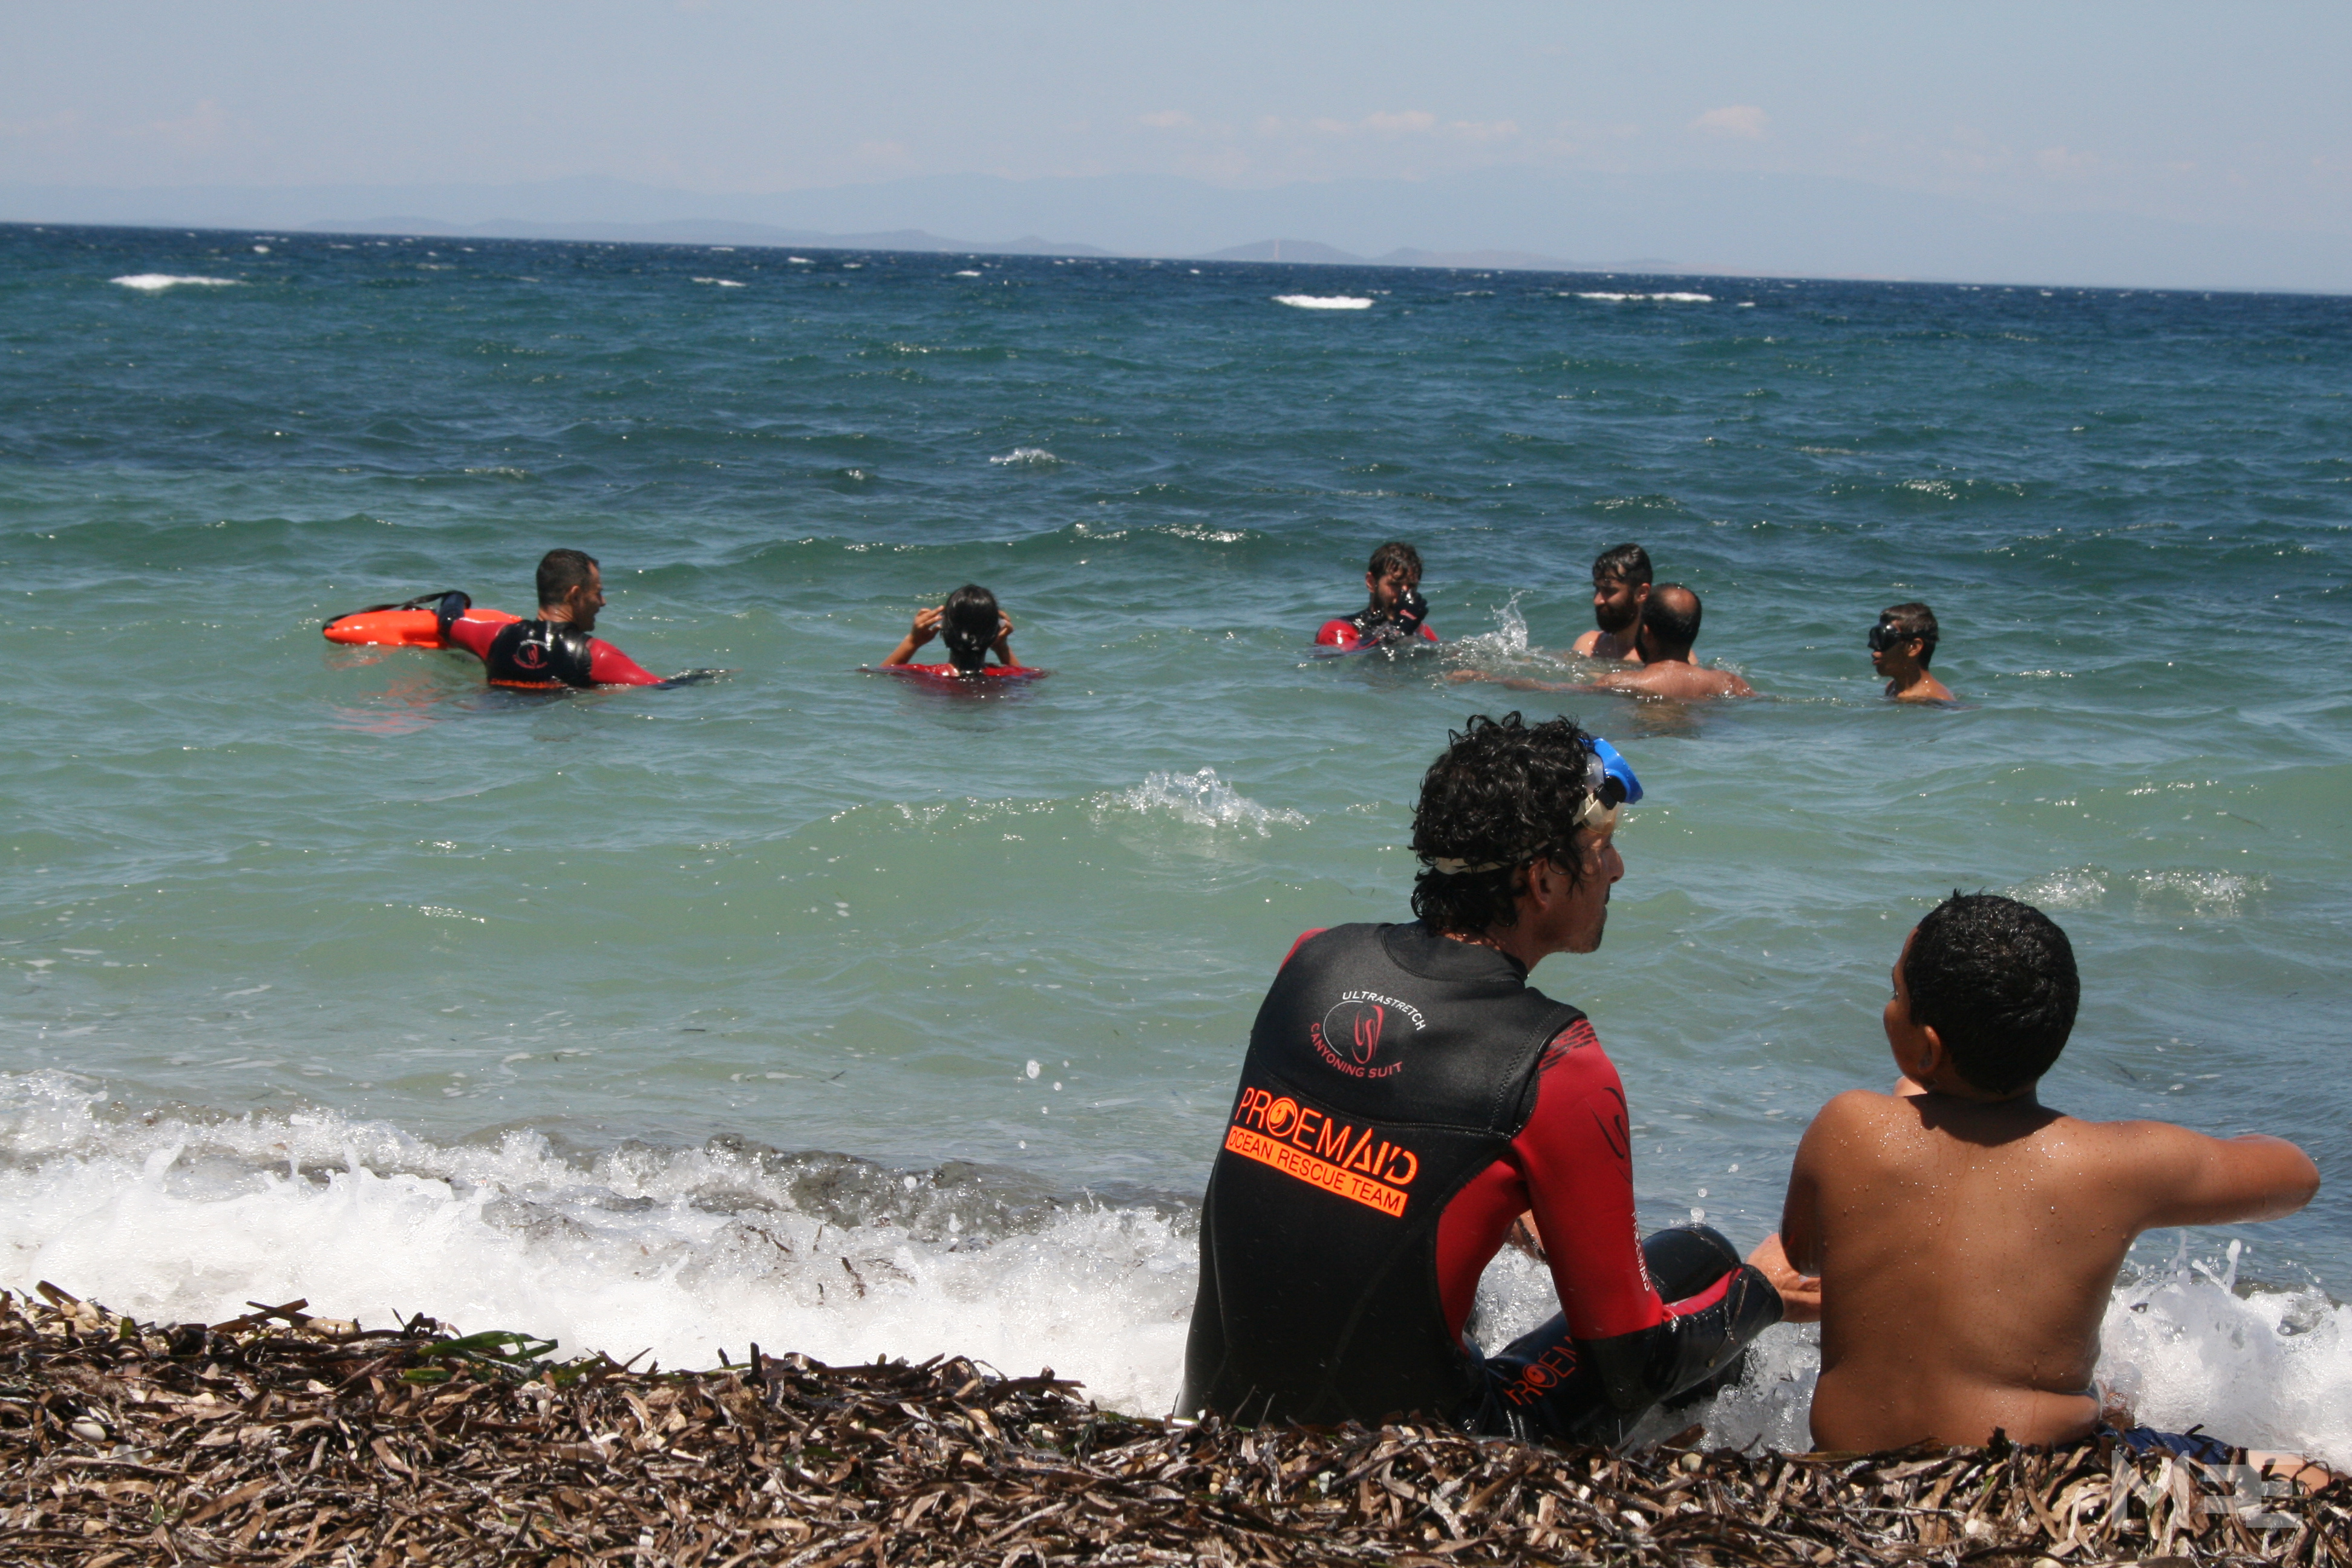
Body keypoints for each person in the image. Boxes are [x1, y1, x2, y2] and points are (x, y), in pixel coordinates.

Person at [1178, 713, 1786, 1443]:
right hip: (1411, 1463)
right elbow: (1635, 1364)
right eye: (1603, 850)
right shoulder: (1557, 1062)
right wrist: (1764, 1294)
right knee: (1702, 1262)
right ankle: (1707, 1460)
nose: (1618, 871)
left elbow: (1369, 1156)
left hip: (1211, 1425)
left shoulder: (1313, 957)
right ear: (1542, 879)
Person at [1749, 894, 2320, 1455]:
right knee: (2299, 1473)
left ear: (1928, 1049)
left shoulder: (1848, 1125)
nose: (1889, 1003)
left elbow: (1806, 1256)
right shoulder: (2113, 1164)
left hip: (1848, 1474)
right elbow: (2298, 1178)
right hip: (2027, 1480)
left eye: (1896, 992)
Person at [1452, 584, 1753, 701]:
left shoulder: (1625, 682)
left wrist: (1489, 679)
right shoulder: (1728, 682)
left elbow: (1555, 690)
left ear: (1646, 632)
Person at [436, 549, 662, 688]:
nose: (602, 602)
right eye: (597, 593)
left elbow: (448, 622)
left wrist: (455, 597)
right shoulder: (596, 655)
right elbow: (660, 687)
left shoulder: (495, 637)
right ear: (575, 595)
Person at [1316, 541, 1439, 650]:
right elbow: (1347, 664)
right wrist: (1398, 631)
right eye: (1395, 585)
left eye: (1412, 586)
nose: (1404, 596)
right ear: (1371, 582)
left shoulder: (1422, 632)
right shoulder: (1338, 630)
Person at [881, 583, 1022, 675]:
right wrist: (1002, 648)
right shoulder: (1004, 676)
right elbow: (1027, 680)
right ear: (996, 631)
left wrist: (913, 641)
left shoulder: (925, 675)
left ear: (945, 628)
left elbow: (881, 675)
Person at [1571, 543, 1650, 662]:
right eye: (1597, 589)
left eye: (1609, 591)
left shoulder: (1665, 657)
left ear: (1641, 593)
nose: (1597, 601)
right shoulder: (1587, 646)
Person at [1870, 602, 1952, 704]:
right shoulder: (1892, 687)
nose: (1875, 648)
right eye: (1876, 638)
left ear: (1914, 647)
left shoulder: (1937, 700)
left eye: (1886, 639)